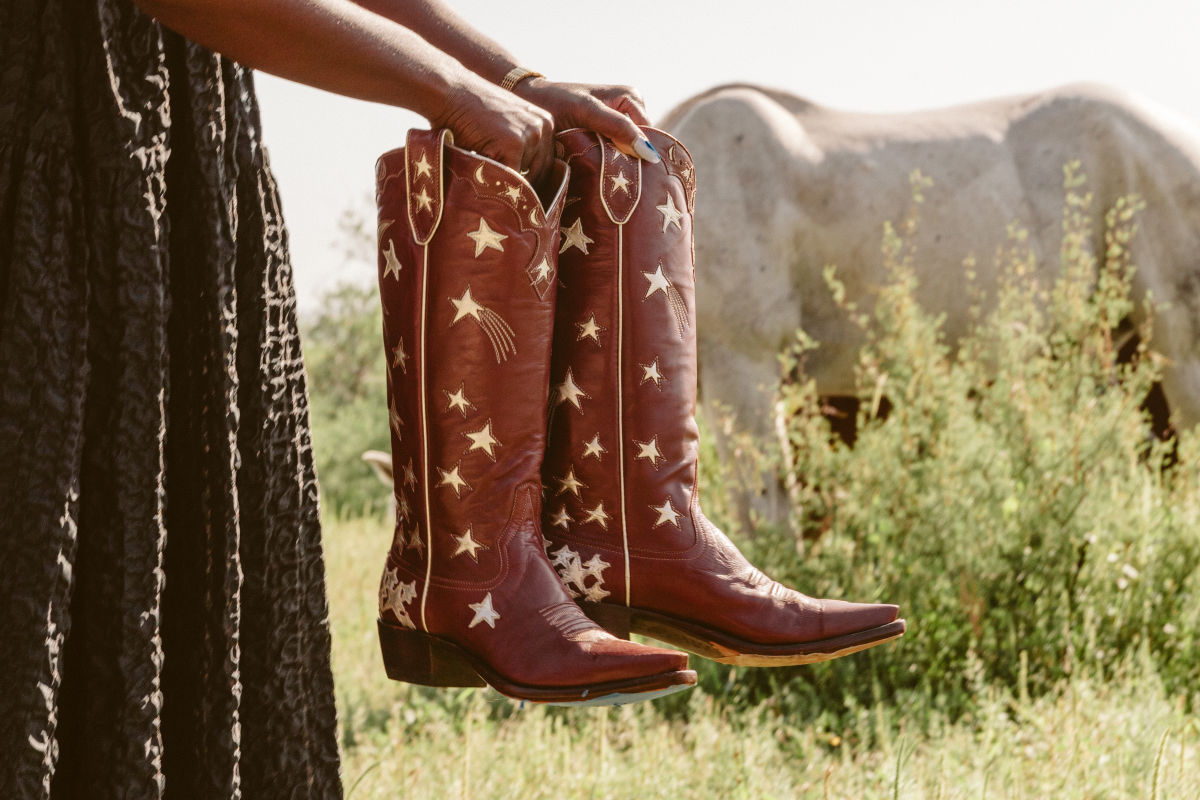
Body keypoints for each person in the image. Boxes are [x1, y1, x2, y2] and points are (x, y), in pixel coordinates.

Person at [0, 0, 675, 795]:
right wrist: (452, 88)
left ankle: (598, 550)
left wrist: (509, 78)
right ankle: (479, 577)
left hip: (177, 153)